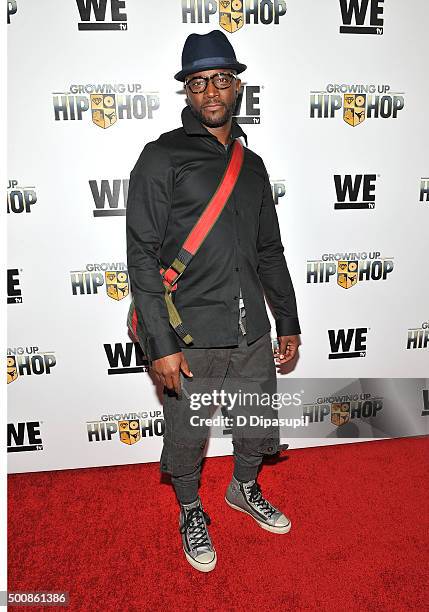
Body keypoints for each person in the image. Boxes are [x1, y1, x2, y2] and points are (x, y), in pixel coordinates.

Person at [126, 29, 301, 573]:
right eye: (198, 82)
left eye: (221, 79)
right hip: (189, 333)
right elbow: (141, 256)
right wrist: (160, 344)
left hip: (251, 327)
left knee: (255, 423)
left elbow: (269, 250)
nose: (210, 92)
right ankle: (190, 507)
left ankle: (243, 488)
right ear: (186, 91)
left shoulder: (253, 164)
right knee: (187, 433)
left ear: (237, 86)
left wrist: (288, 320)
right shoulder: (162, 157)